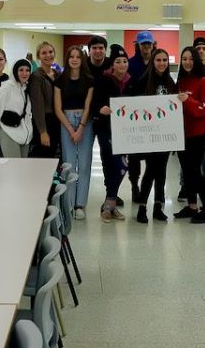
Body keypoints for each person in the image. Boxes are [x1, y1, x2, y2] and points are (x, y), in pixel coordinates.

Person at [130, 48, 176, 224]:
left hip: (165, 135)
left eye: (165, 60)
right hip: (149, 135)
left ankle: (159, 206)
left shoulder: (170, 82)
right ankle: (142, 206)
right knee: (150, 170)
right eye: (158, 60)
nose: (162, 63)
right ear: (152, 62)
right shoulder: (142, 82)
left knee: (162, 171)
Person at [173, 47, 205, 224]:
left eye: (191, 59)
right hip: (181, 132)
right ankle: (192, 205)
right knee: (186, 170)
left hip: (199, 133)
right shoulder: (181, 81)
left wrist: (187, 101)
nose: (187, 62)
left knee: (194, 170)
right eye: (184, 59)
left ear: (196, 61)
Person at [90, 45, 131, 221]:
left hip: (125, 131)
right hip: (106, 129)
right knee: (111, 164)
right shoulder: (103, 80)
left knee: (122, 166)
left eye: (124, 61)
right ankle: (109, 206)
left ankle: (109, 204)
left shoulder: (131, 81)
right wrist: (101, 109)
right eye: (118, 61)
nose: (122, 64)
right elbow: (93, 104)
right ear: (112, 64)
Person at [55, 46, 94, 219]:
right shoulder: (59, 80)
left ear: (82, 59)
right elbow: (58, 108)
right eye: (71, 56)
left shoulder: (89, 80)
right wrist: (71, 129)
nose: (75, 59)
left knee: (84, 164)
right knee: (69, 164)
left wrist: (81, 127)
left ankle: (80, 204)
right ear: (67, 59)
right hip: (66, 121)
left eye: (78, 56)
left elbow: (88, 106)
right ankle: (69, 203)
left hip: (85, 122)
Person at [126, 31, 157, 200]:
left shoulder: (157, 62)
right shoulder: (131, 64)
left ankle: (147, 187)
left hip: (154, 116)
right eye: (143, 44)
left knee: (152, 156)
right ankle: (134, 186)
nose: (146, 47)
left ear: (153, 45)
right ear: (137, 45)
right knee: (134, 157)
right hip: (135, 116)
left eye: (149, 44)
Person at [0, 59, 34, 158]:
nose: (24, 73)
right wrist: (0, 137)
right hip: (8, 134)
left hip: (25, 136)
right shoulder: (6, 88)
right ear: (15, 71)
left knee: (22, 169)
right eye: (21, 70)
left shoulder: (26, 89)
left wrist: (29, 132)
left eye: (27, 70)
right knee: (13, 169)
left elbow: (28, 114)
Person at [29, 41, 60, 159]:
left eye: (51, 52)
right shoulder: (36, 76)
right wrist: (42, 131)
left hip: (56, 121)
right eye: (44, 53)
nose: (48, 55)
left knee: (54, 158)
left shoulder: (57, 74)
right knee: (43, 159)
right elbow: (37, 106)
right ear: (38, 56)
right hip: (44, 122)